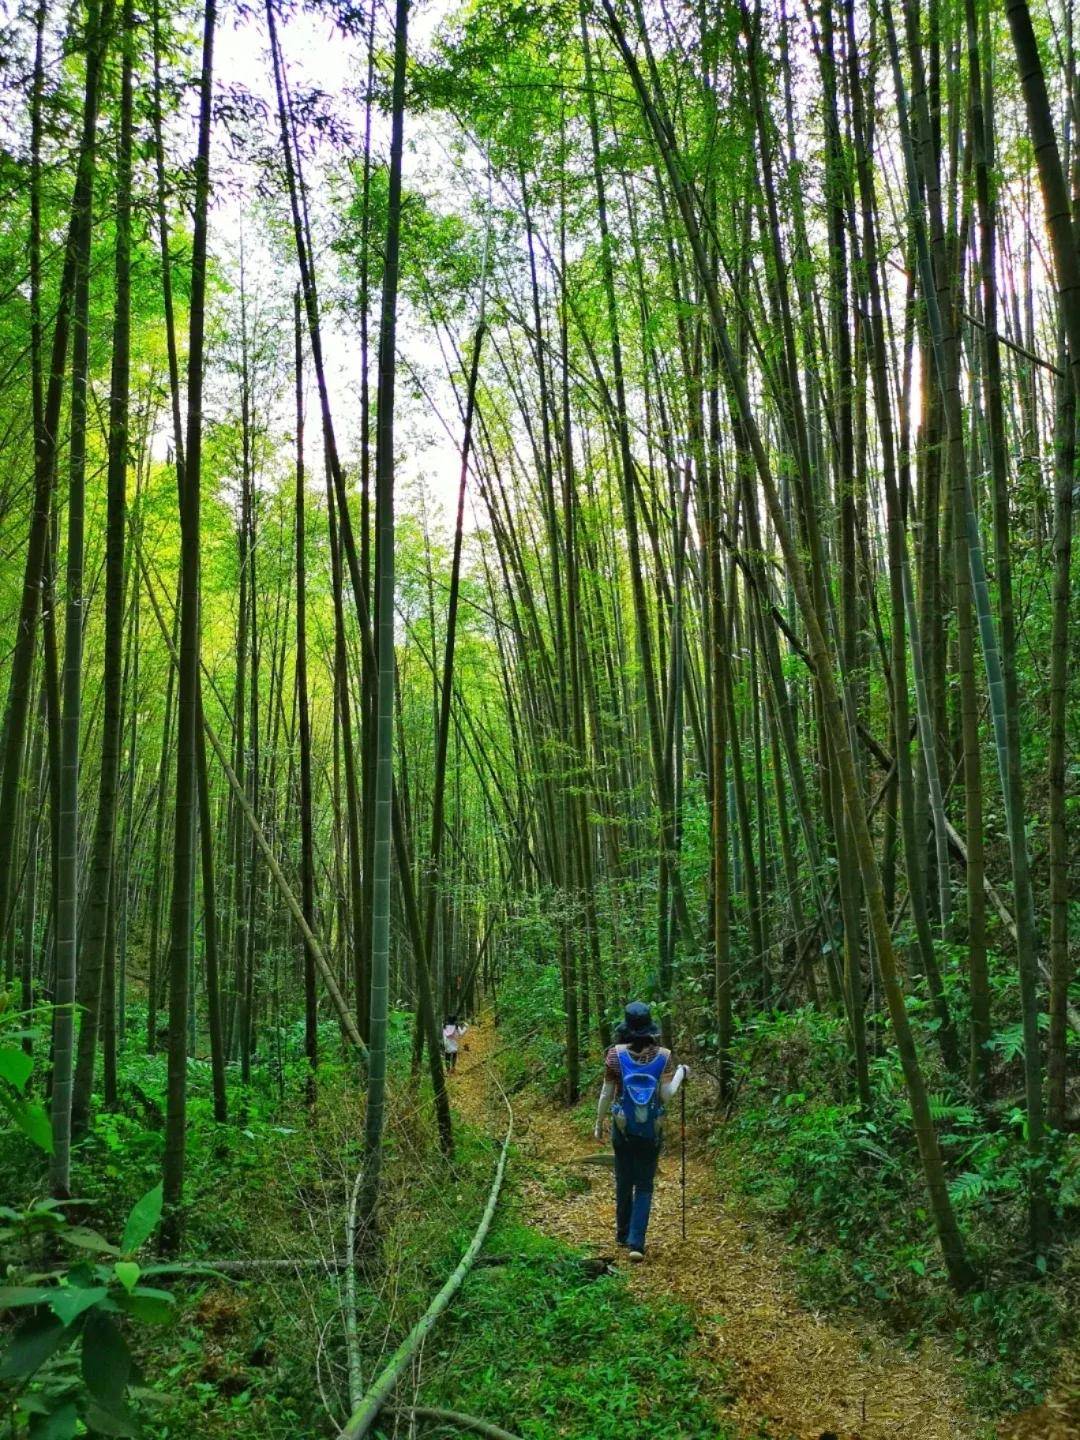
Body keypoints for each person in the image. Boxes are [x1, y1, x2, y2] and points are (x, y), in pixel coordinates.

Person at [593, 1001, 688, 1262]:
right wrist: (680, 1073)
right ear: (649, 1027)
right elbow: (667, 1096)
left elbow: (606, 1093)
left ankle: (622, 1234)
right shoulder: (664, 1057)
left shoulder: (614, 1055)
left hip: (622, 1128)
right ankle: (637, 1242)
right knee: (644, 1185)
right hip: (651, 1130)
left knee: (623, 1180)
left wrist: (599, 1123)